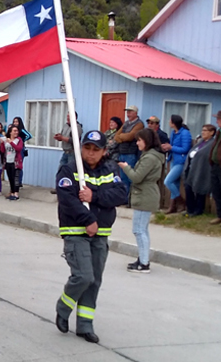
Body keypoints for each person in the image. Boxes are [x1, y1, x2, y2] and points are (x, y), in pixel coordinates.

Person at [54, 130, 127, 344]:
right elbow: (68, 200)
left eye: (96, 149)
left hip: (101, 234)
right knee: (84, 276)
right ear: (80, 148)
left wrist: (94, 196)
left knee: (94, 281)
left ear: (104, 151)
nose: (91, 153)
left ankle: (85, 325)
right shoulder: (69, 169)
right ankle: (64, 307)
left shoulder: (110, 168)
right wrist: (88, 220)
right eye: (87, 148)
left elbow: (121, 195)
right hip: (76, 232)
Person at [118, 128, 165, 273]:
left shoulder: (150, 158)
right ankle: (142, 258)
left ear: (147, 141)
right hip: (144, 194)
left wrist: (126, 168)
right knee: (142, 229)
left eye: (139, 140)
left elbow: (137, 177)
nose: (137, 143)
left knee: (139, 230)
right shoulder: (149, 155)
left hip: (145, 195)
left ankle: (144, 263)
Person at [183, 125, 217, 217]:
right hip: (192, 168)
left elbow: (205, 155)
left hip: (202, 169)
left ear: (212, 132)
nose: (203, 132)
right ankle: (190, 209)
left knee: (199, 188)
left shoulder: (212, 143)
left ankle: (198, 210)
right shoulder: (200, 142)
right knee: (188, 187)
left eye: (205, 130)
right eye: (202, 130)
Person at [161, 115, 192, 214]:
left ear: (174, 123)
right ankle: (172, 207)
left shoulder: (185, 133)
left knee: (168, 181)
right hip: (173, 159)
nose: (169, 122)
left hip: (181, 161)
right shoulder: (174, 132)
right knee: (175, 183)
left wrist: (171, 148)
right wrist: (167, 147)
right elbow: (172, 145)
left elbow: (185, 149)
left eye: (170, 121)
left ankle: (181, 201)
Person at [114, 106, 144, 195]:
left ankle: (131, 198)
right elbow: (116, 136)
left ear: (135, 113)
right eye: (127, 112)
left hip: (131, 153)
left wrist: (122, 137)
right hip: (122, 152)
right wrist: (123, 137)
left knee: (130, 177)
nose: (128, 114)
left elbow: (131, 136)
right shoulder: (126, 123)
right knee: (122, 177)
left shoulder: (139, 124)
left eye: (130, 112)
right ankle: (124, 197)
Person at [50, 113, 82, 195]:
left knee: (71, 172)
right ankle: (59, 188)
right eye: (67, 116)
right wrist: (59, 137)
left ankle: (71, 190)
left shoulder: (77, 127)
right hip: (65, 152)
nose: (68, 118)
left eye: (69, 116)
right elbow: (63, 136)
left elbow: (74, 140)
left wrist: (62, 138)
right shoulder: (65, 126)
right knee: (61, 170)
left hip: (72, 153)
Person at [1, 125, 23, 200]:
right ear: (10, 132)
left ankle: (16, 193)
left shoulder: (19, 140)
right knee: (10, 178)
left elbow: (19, 149)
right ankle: (12, 192)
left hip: (16, 162)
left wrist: (11, 143)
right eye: (14, 131)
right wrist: (1, 143)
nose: (16, 132)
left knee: (15, 178)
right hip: (8, 161)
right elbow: (3, 150)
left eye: (17, 131)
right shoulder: (7, 140)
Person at [11, 117, 32, 186]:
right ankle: (14, 181)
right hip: (13, 148)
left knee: (19, 165)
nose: (15, 123)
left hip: (20, 149)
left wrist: (22, 140)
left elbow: (29, 135)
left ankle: (19, 182)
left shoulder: (21, 130)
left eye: (16, 122)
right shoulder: (12, 130)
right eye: (14, 122)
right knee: (13, 165)